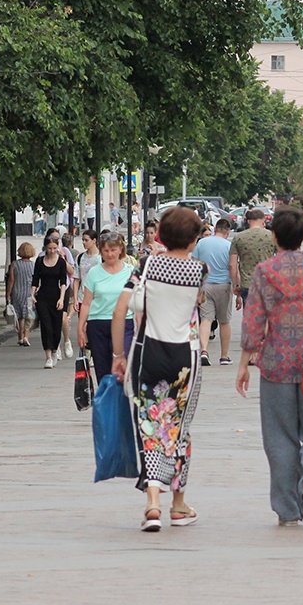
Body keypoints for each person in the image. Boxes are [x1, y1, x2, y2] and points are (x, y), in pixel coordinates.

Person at [236, 207, 303, 528]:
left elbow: (253, 322)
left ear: (274, 236)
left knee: (279, 438)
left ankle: (288, 511)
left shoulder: (264, 271)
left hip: (276, 365)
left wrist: (243, 364)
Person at [110, 207, 207, 532]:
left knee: (151, 427)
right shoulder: (199, 271)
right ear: (194, 240)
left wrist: (117, 355)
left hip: (147, 353)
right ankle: (178, 506)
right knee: (179, 429)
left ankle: (152, 503)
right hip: (185, 358)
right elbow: (198, 300)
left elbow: (121, 307)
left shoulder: (147, 265)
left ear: (161, 235)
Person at [77, 232, 133, 383]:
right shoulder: (94, 273)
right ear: (101, 251)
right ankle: (106, 401)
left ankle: (122, 400)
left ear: (121, 249)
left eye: (113, 250)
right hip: (98, 324)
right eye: (106, 250)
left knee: (123, 367)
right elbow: (87, 302)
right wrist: (81, 328)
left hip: (125, 323)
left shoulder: (130, 272)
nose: (110, 254)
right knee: (102, 369)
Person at [193, 218, 234, 366]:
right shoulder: (229, 245)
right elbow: (232, 266)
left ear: (215, 228)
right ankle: (224, 356)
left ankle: (204, 351)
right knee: (224, 321)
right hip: (224, 285)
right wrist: (236, 285)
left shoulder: (202, 243)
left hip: (205, 285)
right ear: (227, 231)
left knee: (206, 319)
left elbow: (195, 263)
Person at [31, 236, 74, 368]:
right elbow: (35, 280)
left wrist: (61, 298)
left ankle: (55, 350)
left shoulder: (61, 262)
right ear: (45, 248)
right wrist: (32, 294)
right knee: (46, 326)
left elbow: (63, 281)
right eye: (49, 248)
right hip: (42, 296)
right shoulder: (39, 261)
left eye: (55, 248)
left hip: (56, 296)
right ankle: (48, 356)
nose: (52, 251)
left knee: (56, 327)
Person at [230, 208, 277, 305]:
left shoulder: (238, 237)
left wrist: (236, 285)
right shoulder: (272, 236)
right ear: (263, 220)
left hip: (248, 284)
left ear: (248, 221)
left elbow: (232, 265)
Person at [6, 242, 37, 347]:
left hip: (17, 292)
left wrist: (8, 294)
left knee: (19, 316)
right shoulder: (33, 265)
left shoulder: (15, 264)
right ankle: (26, 337)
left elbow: (11, 280)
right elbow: (36, 281)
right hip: (29, 293)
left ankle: (20, 337)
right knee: (28, 315)